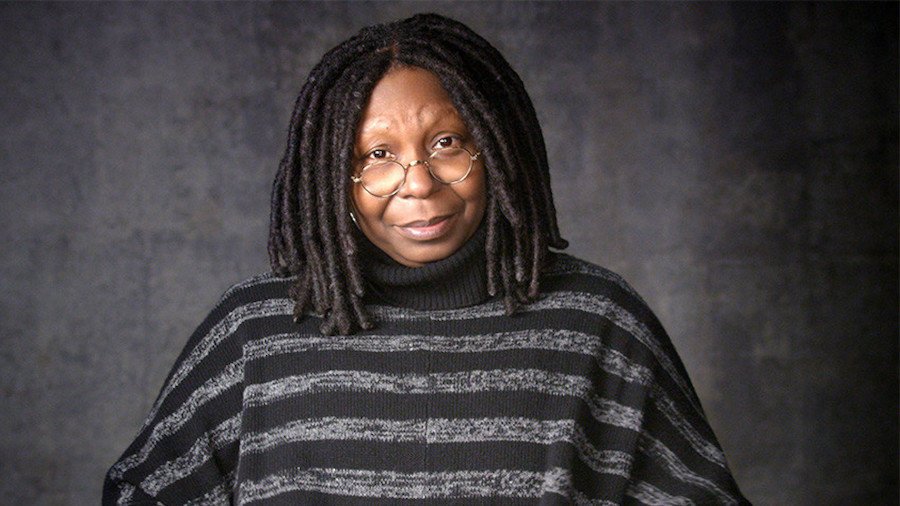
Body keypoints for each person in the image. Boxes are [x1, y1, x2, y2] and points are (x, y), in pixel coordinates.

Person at [104, 13, 749, 505]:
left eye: (445, 142)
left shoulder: (598, 327)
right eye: (377, 156)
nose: (418, 183)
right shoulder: (255, 335)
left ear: (496, 147)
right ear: (335, 176)